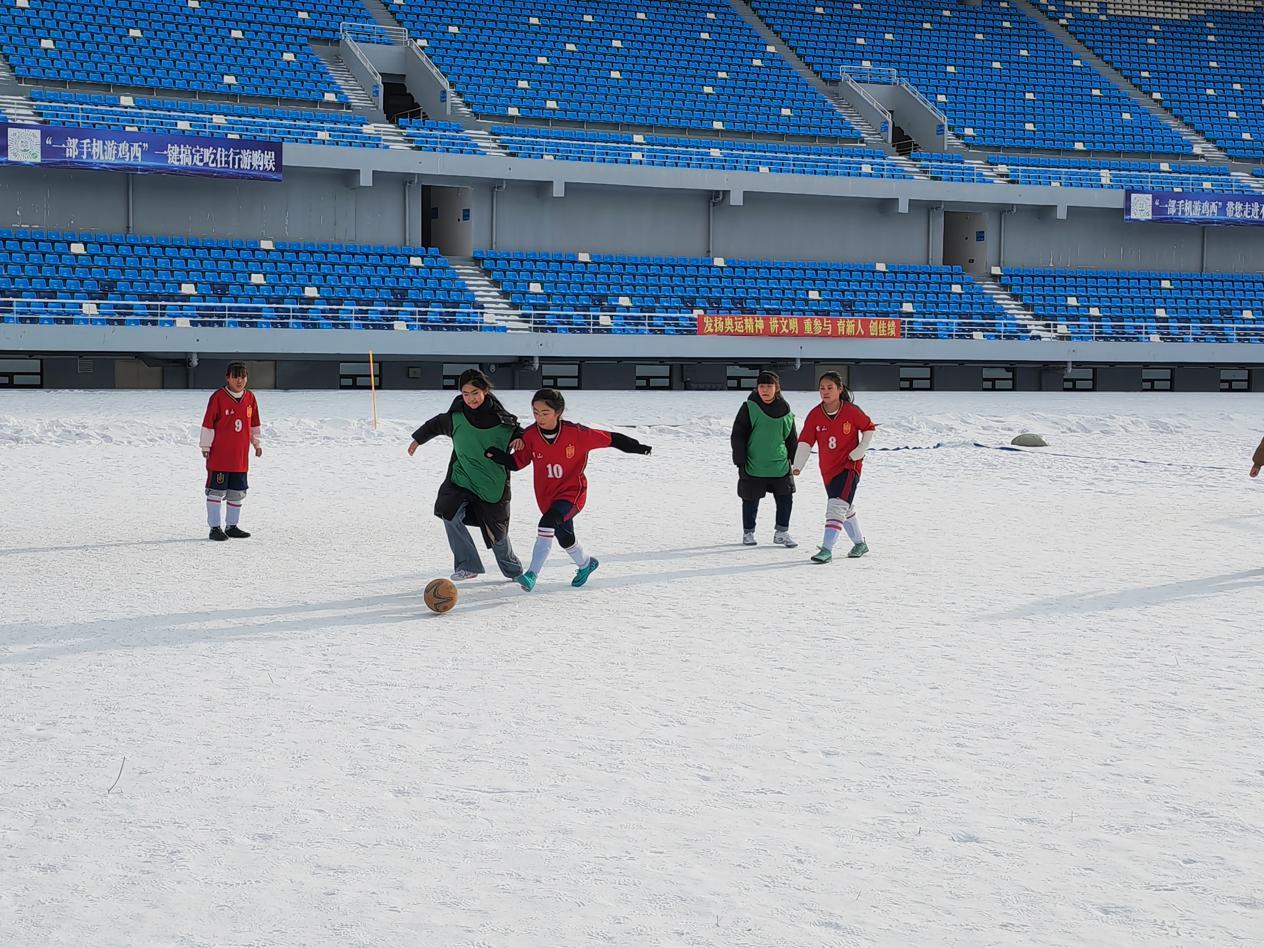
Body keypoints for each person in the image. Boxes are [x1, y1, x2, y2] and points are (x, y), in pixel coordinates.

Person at [484, 388, 651, 591]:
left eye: (545, 413)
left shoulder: (577, 433)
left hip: (572, 494)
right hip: (546, 497)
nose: (539, 417)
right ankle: (586, 563)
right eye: (535, 412)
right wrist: (496, 455)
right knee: (565, 537)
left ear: (558, 412)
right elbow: (517, 463)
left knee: (547, 523)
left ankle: (531, 574)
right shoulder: (530, 435)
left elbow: (612, 439)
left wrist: (641, 448)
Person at [408, 369, 525, 581]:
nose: (470, 398)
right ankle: (468, 565)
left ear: (485, 391)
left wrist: (520, 439)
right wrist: (418, 440)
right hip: (461, 478)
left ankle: (514, 571)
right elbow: (434, 424)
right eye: (465, 393)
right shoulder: (455, 418)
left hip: (492, 485)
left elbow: (522, 434)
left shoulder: (504, 422)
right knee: (449, 513)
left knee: (497, 534)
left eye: (475, 392)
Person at [792, 371, 876, 563]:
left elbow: (869, 428)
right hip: (828, 470)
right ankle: (860, 544)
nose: (825, 392)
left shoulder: (852, 411)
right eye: (822, 388)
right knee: (844, 508)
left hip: (849, 466)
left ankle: (826, 549)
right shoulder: (815, 415)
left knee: (836, 507)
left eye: (830, 388)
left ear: (840, 389)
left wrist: (860, 449)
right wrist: (798, 465)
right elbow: (805, 442)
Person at [730, 370, 798, 548]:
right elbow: (738, 435)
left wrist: (796, 461)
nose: (765, 390)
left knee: (785, 499)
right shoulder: (749, 407)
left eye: (769, 386)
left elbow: (791, 437)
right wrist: (740, 461)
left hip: (780, 466)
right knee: (750, 499)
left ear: (777, 388)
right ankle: (748, 532)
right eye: (761, 386)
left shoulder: (786, 409)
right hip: (754, 465)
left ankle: (782, 532)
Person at [200, 361, 262, 541]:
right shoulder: (218, 397)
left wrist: (256, 444)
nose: (239, 381)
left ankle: (232, 526)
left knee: (237, 492)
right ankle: (214, 528)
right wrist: (206, 446)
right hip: (220, 456)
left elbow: (254, 424)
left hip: (240, 457)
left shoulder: (250, 398)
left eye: (242, 377)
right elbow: (208, 423)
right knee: (216, 492)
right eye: (235, 377)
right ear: (228, 378)